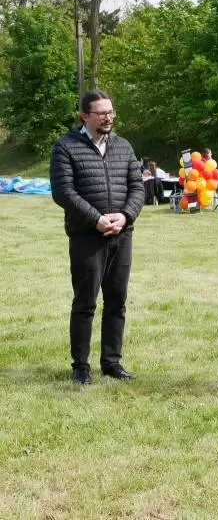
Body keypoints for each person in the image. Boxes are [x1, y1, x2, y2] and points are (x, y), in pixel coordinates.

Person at [50, 90, 144, 384]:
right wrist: (96, 220)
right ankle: (80, 366)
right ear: (85, 117)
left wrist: (125, 216)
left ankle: (112, 363)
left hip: (121, 236)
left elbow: (137, 187)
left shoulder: (123, 146)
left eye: (111, 112)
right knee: (85, 303)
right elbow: (63, 192)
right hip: (87, 238)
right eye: (102, 113)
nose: (108, 117)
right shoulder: (65, 147)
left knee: (117, 301)